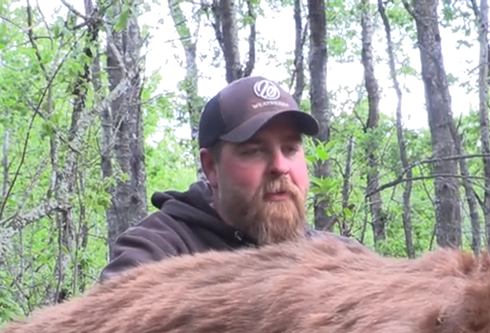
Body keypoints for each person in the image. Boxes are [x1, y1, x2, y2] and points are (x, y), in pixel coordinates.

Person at [99, 75, 357, 282]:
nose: (280, 166)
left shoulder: (343, 257)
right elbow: (105, 332)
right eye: (255, 151)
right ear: (211, 167)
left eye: (290, 149)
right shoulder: (160, 249)